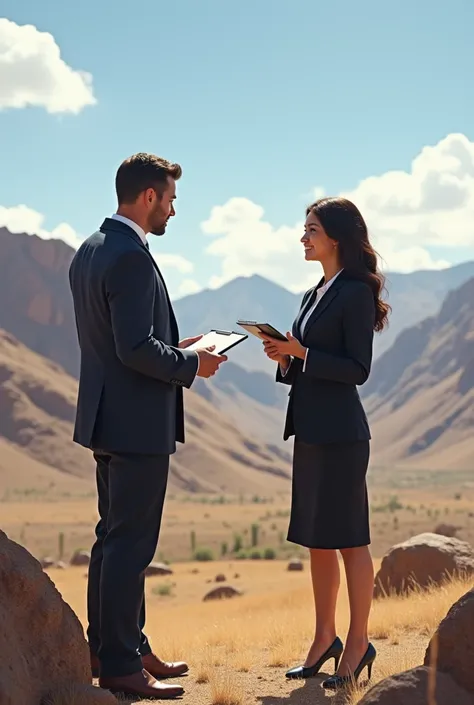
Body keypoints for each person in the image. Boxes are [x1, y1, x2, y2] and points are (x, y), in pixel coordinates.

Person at [69, 153, 227, 699]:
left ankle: (120, 646)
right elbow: (133, 348)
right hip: (136, 424)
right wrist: (192, 365)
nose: (174, 210)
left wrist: (174, 347)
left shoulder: (90, 249)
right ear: (148, 197)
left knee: (111, 540)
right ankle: (118, 665)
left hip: (104, 418)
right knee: (130, 545)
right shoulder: (132, 257)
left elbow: (121, 341)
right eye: (171, 200)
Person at [262, 197, 390, 690]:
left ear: (335, 237)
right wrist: (284, 357)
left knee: (350, 540)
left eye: (311, 229)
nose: (303, 238)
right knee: (317, 540)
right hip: (311, 431)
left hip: (342, 435)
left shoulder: (355, 292)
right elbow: (306, 363)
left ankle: (358, 643)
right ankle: (323, 639)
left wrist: (303, 352)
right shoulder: (314, 292)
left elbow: (357, 369)